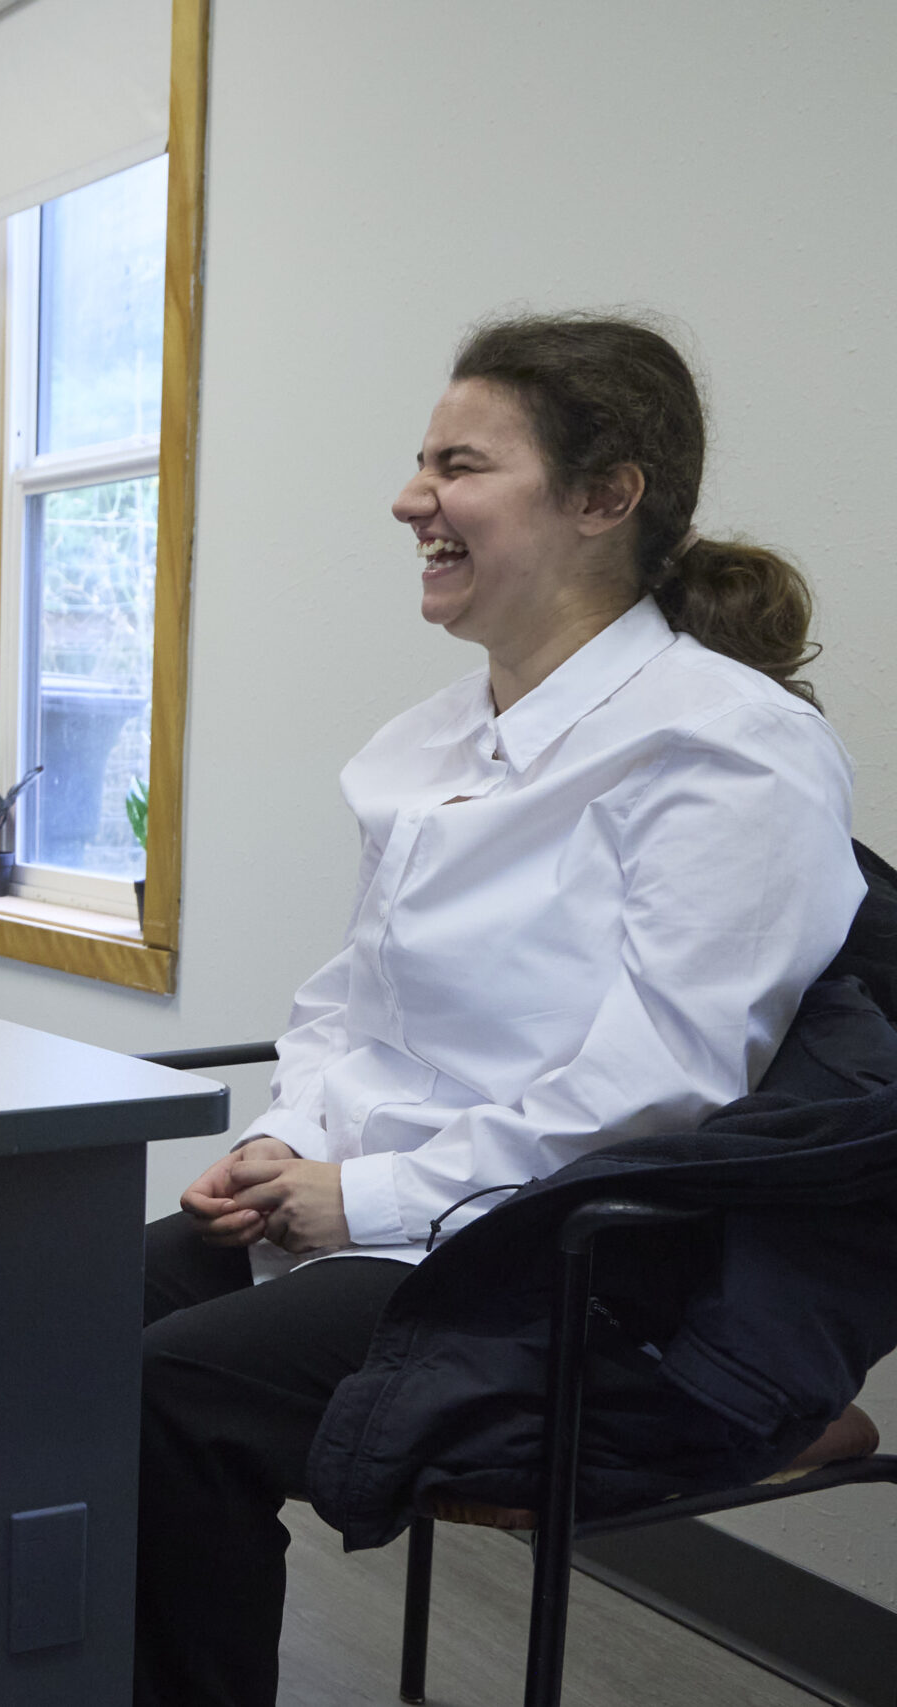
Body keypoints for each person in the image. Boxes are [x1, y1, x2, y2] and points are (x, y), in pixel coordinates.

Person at [131, 313, 866, 1707]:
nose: (413, 498)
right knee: (36, 1322)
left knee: (164, 1394)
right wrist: (285, 1140)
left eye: (459, 464)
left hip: (557, 1262)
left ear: (605, 496)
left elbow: (663, 1091)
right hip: (378, 1208)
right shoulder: (426, 743)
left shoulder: (729, 745)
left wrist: (362, 1194)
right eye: (420, 462)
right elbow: (349, 1003)